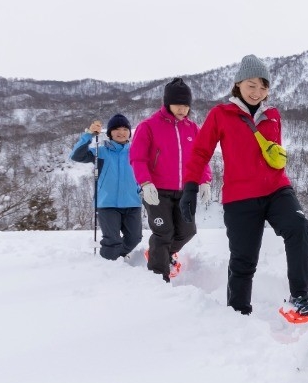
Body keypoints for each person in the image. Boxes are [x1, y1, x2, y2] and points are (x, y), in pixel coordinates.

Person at [179, 55, 308, 317]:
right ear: (239, 84)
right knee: (244, 260)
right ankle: (238, 313)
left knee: (300, 228)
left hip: (277, 189)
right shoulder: (221, 115)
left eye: (263, 87)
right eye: (251, 85)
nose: (257, 92)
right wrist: (190, 187)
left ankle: (299, 295)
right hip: (240, 197)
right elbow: (200, 152)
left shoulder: (273, 115)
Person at [130, 78, 211, 282]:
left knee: (187, 230)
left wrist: (205, 180)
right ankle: (159, 277)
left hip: (184, 191)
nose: (183, 110)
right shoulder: (148, 126)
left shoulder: (192, 128)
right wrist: (145, 183)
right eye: (178, 105)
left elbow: (201, 157)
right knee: (163, 232)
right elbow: (137, 158)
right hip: (156, 191)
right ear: (167, 103)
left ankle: (160, 253)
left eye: (186, 105)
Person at [70, 114, 142, 259]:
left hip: (132, 203)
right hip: (107, 204)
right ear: (109, 133)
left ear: (129, 132)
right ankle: (107, 269)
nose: (121, 132)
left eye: (124, 129)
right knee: (112, 241)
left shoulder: (136, 151)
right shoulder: (100, 152)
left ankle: (118, 257)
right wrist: (89, 135)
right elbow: (76, 156)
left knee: (135, 238)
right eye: (116, 129)